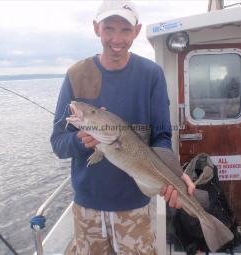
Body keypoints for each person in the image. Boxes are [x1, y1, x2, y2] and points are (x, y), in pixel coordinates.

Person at [50, 1, 195, 254]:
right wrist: (78, 141)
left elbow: (161, 135)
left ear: (137, 31)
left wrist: (172, 172)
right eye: (109, 28)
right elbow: (58, 143)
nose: (116, 39)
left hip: (135, 206)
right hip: (87, 209)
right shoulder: (76, 74)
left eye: (125, 30)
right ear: (96, 28)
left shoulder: (151, 74)